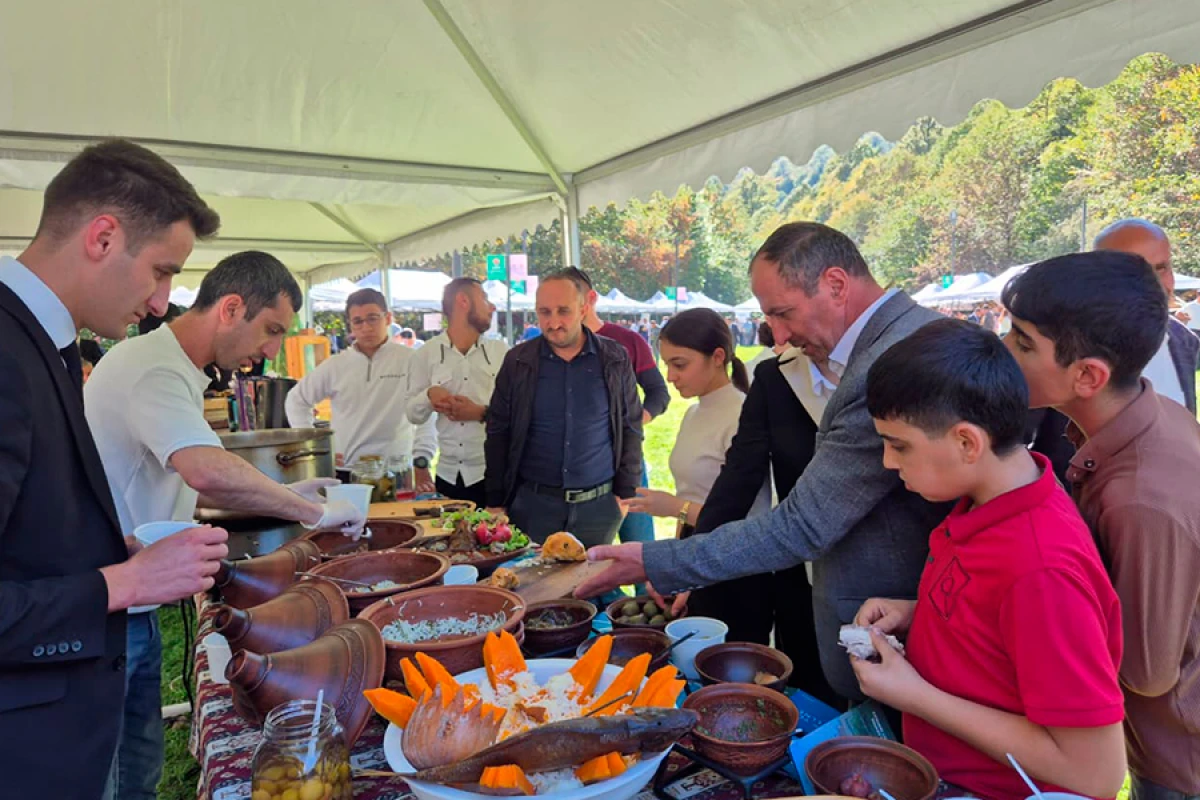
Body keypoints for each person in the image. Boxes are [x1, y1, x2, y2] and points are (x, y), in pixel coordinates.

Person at [576, 222, 948, 701]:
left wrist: (657, 560)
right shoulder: (882, 346)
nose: (778, 335)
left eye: (783, 313)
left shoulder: (893, 360)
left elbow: (805, 523)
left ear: (836, 284)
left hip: (902, 628)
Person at [85, 251, 364, 799]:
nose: (271, 351)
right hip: (109, 601)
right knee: (112, 776)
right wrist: (315, 512)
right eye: (271, 331)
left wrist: (288, 494)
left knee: (138, 769)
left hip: (129, 603)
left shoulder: (176, 369)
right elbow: (207, 469)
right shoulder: (155, 368)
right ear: (231, 308)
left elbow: (185, 485)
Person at [0, 139, 229, 800]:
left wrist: (104, 548)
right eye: (161, 271)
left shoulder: (49, 342)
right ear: (102, 237)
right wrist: (119, 582)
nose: (161, 303)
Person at [850, 318, 1125, 800]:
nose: (889, 463)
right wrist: (920, 613)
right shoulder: (990, 501)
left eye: (899, 445)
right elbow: (999, 623)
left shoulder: (1041, 569)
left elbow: (1095, 772)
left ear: (966, 442)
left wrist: (914, 695)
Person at [1001, 251, 1200, 800]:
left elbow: (1146, 670)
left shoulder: (1140, 499)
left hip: (1176, 759)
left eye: (1022, 343)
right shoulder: (1150, 416)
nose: (1004, 351)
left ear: (1087, 376)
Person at [485, 268, 642, 547]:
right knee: (535, 588)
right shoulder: (518, 361)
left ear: (583, 309)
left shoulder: (614, 358)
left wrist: (624, 496)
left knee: (592, 587)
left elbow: (630, 426)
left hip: (599, 509)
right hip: (533, 507)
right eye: (544, 312)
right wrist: (496, 501)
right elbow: (498, 432)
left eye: (563, 311)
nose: (553, 322)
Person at [624, 308, 765, 533]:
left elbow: (747, 519)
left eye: (679, 365)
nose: (670, 376)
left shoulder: (742, 418)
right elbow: (689, 494)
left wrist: (675, 508)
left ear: (717, 357)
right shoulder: (692, 414)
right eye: (667, 365)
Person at [286, 288, 436, 485]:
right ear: (350, 325)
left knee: (399, 517)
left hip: (396, 471)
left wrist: (422, 459)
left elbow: (427, 411)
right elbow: (296, 400)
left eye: (373, 318)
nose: (366, 327)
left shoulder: (411, 360)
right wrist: (315, 450)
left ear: (388, 318)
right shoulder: (336, 365)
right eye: (358, 321)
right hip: (347, 471)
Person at [577, 269, 670, 574]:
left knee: (643, 553)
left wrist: (635, 422)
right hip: (581, 471)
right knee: (586, 560)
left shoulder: (627, 340)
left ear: (589, 299)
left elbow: (658, 392)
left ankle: (650, 613)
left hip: (628, 462)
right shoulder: (553, 350)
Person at [406, 278, 506, 507]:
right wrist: (429, 395)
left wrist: (480, 413)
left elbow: (518, 412)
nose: (492, 307)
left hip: (493, 476)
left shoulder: (501, 352)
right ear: (463, 301)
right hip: (447, 477)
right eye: (484, 298)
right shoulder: (426, 354)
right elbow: (413, 414)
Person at [1095, 218, 1199, 413]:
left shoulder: (1183, 341)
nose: (1154, 284)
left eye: (1161, 268)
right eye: (1135, 272)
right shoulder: (1061, 345)